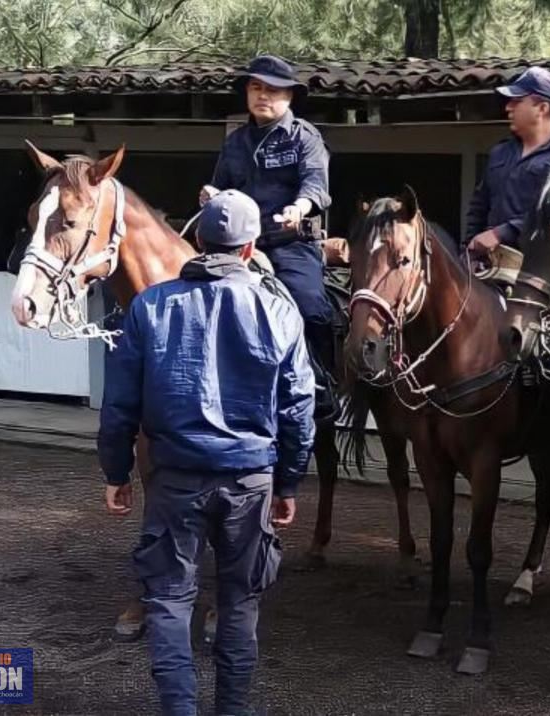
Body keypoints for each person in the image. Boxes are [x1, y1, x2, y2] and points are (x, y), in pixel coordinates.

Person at [99, 190, 316, 715]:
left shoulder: (151, 306)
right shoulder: (279, 309)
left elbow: (119, 402)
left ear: (198, 241)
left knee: (170, 602)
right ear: (249, 249)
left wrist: (117, 471)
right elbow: (299, 406)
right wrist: (288, 482)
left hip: (175, 480)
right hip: (250, 481)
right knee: (240, 604)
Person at [200, 54, 337, 418]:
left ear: (290, 97)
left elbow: (316, 187)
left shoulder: (304, 136)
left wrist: (300, 207)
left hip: (291, 244)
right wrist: (212, 195)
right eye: (256, 87)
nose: (263, 95)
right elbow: (222, 187)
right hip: (238, 248)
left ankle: (321, 384)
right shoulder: (235, 142)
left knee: (311, 307)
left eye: (273, 90)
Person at [465, 66, 550, 358]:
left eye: (517, 100)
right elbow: (478, 205)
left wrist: (503, 231)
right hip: (488, 267)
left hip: (539, 273)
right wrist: (470, 248)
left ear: (542, 107)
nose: (508, 106)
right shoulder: (500, 152)